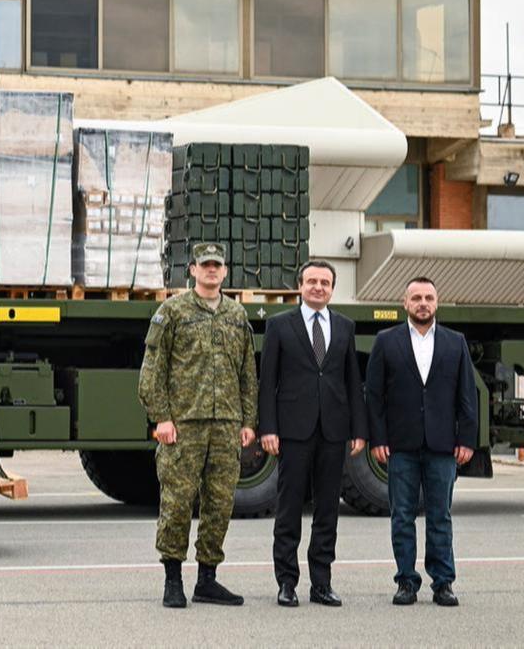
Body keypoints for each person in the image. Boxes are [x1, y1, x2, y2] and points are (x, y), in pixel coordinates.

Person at [138, 242, 258, 609]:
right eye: (204, 265)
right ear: (192, 270)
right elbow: (152, 370)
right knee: (177, 502)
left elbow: (247, 373)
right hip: (184, 425)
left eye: (216, 266)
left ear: (224, 272)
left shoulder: (237, 315)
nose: (211, 271)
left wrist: (247, 420)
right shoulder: (172, 311)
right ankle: (172, 579)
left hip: (225, 425)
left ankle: (208, 579)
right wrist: (161, 417)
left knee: (220, 503)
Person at [258, 259, 366, 608]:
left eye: (325, 282)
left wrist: (358, 430)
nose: (318, 287)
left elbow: (352, 382)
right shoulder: (279, 326)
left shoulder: (345, 327)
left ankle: (322, 583)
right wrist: (268, 427)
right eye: (312, 281)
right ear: (300, 286)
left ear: (332, 288)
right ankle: (286, 582)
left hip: (333, 431)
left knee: (327, 511)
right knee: (289, 507)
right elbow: (267, 382)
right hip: (292, 430)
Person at [365, 276, 478, 607]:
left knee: (440, 515)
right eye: (416, 298)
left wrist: (467, 438)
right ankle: (406, 582)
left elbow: (467, 395)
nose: (423, 303)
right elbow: (374, 396)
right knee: (402, 515)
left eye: (428, 297)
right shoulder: (386, 341)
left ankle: (443, 582)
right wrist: (378, 438)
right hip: (401, 444)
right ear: (405, 303)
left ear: (437, 303)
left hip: (443, 445)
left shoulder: (456, 342)